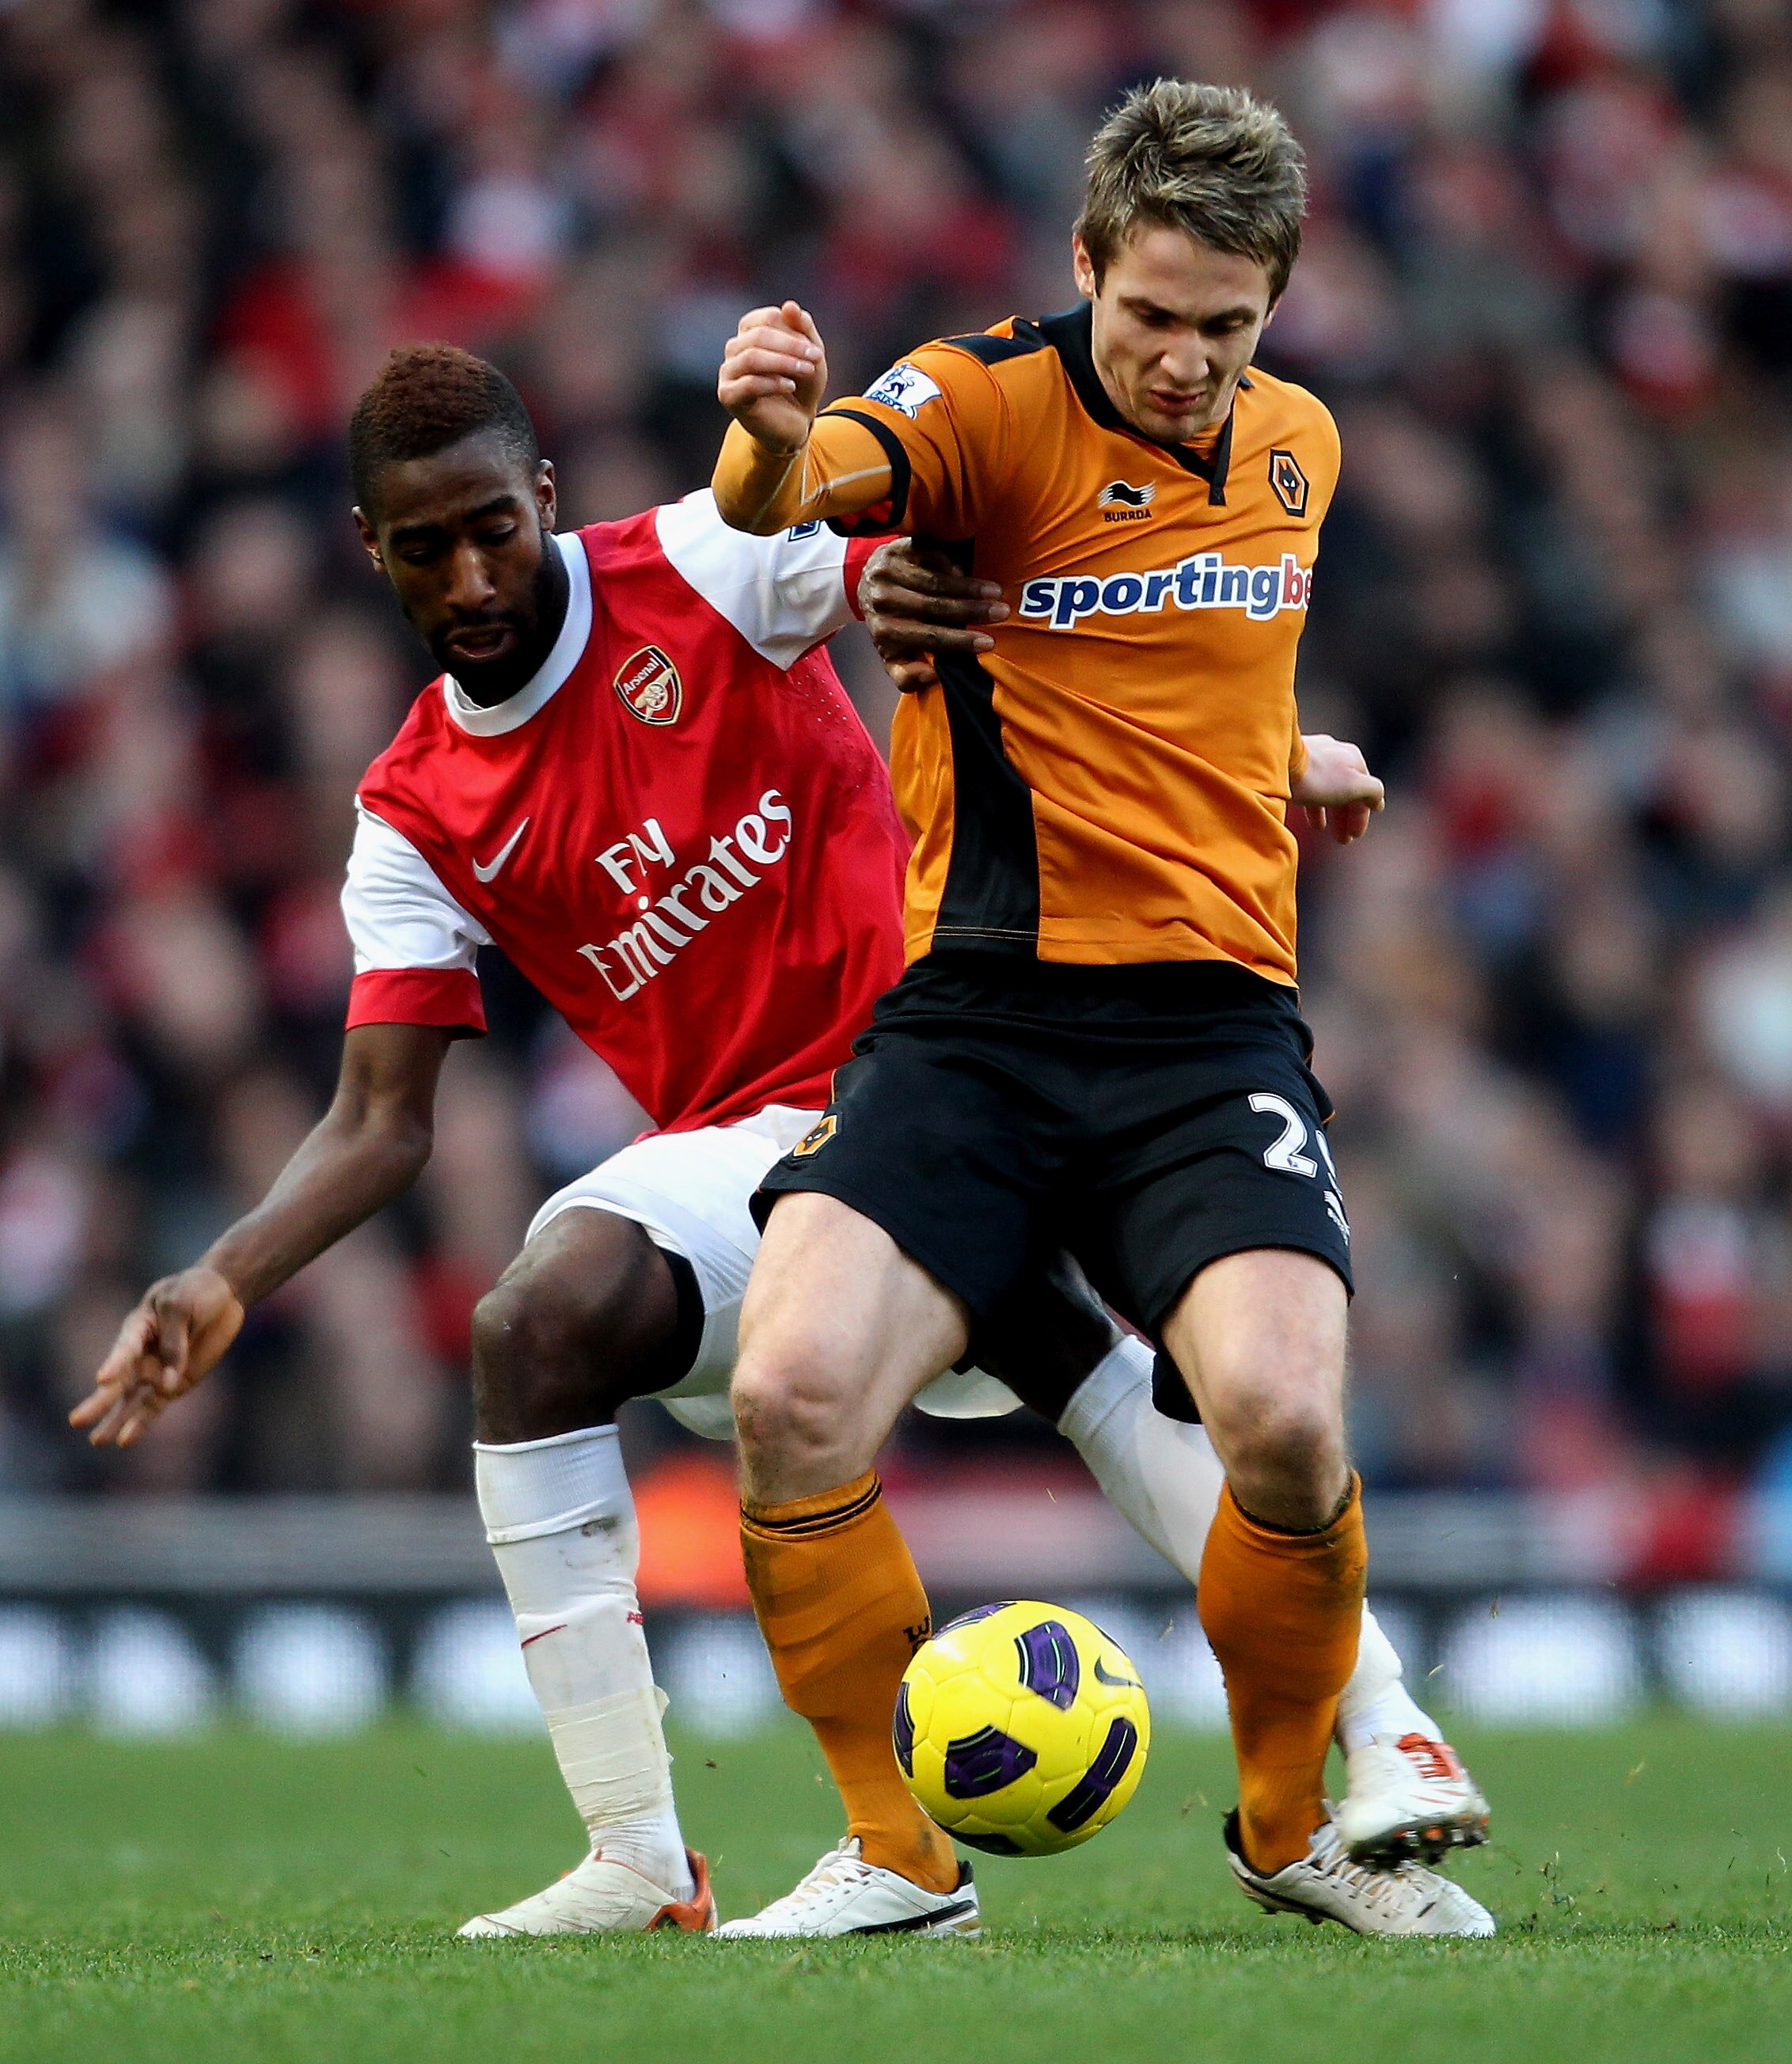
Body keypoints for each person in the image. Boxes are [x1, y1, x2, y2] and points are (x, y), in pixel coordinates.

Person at [74, 341, 1474, 1945]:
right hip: (770, 1165)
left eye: (492, 529)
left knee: (1164, 1383)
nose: (468, 575)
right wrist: (225, 1271)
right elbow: (380, 1122)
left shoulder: (704, 566)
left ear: (545, 498)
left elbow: (1002, 594)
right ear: (365, 546)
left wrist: (1267, 754)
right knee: (539, 1322)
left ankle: (1354, 1760)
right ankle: (644, 1857)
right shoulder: (413, 812)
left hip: (965, 1067)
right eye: (421, 546)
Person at [709, 80, 1494, 1938]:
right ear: (1083, 269)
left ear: (1277, 305)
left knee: (1288, 1427)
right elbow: (808, 483)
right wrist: (755, 442)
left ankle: (1297, 1823)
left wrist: (1298, 753)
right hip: (974, 1015)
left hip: (1208, 1028)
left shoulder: (1297, 445)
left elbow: (1177, 666)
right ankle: (891, 1853)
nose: (1183, 362)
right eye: (1149, 317)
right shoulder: (978, 404)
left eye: (1225, 326)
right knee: (790, 1392)